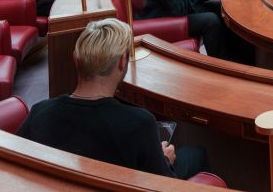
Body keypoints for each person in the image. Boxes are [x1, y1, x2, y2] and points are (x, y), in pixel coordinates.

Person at [17, 18, 210, 180]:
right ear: (122, 62)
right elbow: (164, 183)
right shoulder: (140, 123)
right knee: (196, 153)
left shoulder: (39, 112)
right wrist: (165, 160)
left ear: (76, 59)